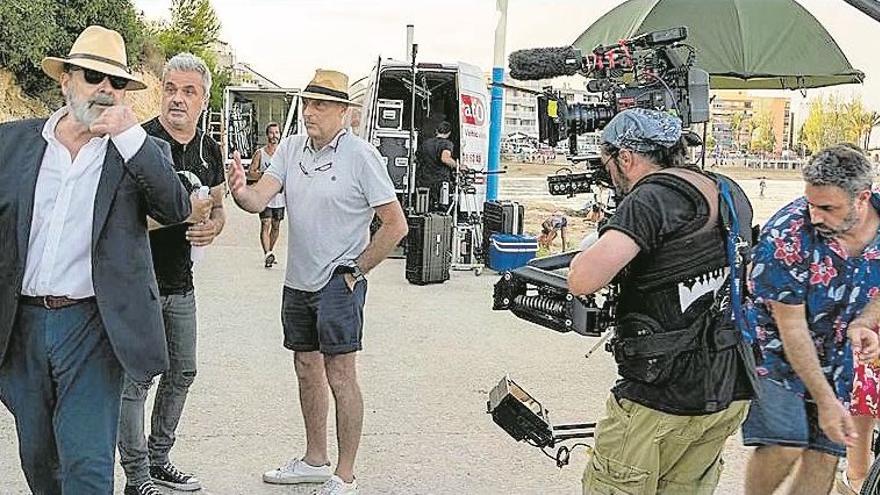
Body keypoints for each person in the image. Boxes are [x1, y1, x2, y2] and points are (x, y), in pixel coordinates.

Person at [0, 25, 192, 494]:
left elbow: (174, 207)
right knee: (40, 461)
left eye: (117, 82)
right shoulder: (11, 144)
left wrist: (129, 138)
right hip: (21, 325)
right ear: (65, 79)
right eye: (91, 76)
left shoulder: (139, 152)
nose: (104, 89)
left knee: (87, 464)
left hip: (92, 328)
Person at [227, 69, 408, 495]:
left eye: (321, 104)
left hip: (338, 282)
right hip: (298, 281)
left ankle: (345, 475)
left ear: (343, 112)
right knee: (306, 367)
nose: (310, 111)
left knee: (340, 376)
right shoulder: (290, 149)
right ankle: (314, 459)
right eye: (308, 103)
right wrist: (239, 190)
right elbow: (259, 198)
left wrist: (356, 272)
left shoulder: (361, 157)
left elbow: (395, 225)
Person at [567, 108, 757, 494]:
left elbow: (583, 280)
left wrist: (587, 251)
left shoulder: (651, 198)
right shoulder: (727, 190)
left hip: (662, 396)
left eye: (608, 163)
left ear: (625, 157)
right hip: (726, 389)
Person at [116, 52, 226, 495]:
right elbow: (119, 220)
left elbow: (217, 209)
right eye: (170, 89)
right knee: (136, 380)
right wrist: (183, 214)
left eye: (189, 92)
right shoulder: (136, 143)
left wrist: (212, 226)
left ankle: (160, 459)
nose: (177, 99)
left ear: (204, 99)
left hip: (182, 282)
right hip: (139, 283)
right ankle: (136, 475)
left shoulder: (209, 149)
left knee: (182, 372)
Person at [742, 144, 880, 495]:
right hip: (776, 351)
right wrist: (825, 401)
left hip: (838, 356)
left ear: (862, 198)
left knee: (825, 454)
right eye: (811, 204)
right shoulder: (785, 235)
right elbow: (791, 328)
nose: (815, 215)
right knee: (785, 441)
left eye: (827, 207)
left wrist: (864, 321)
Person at [248, 122, 286, 267]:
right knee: (266, 223)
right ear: (267, 135)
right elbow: (251, 173)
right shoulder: (260, 153)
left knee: (276, 225)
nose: (274, 136)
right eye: (271, 133)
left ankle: (271, 250)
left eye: (277, 133)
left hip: (279, 197)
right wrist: (264, 175)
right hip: (264, 196)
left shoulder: (283, 154)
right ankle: (267, 254)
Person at [415, 121, 457, 212]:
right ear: (449, 133)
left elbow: (417, 158)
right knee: (442, 210)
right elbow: (445, 158)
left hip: (424, 181)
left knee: (424, 209)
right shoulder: (447, 144)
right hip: (440, 182)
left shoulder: (426, 143)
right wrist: (458, 166)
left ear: (436, 131)